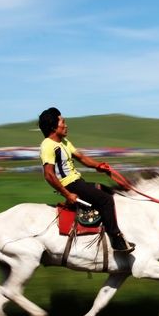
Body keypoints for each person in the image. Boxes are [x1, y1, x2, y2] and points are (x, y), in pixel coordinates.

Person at [38, 107, 135, 253]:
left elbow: (82, 158)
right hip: (69, 185)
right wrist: (67, 194)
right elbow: (49, 175)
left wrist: (99, 166)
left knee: (108, 191)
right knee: (106, 200)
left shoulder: (64, 142)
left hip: (78, 182)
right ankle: (116, 241)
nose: (66, 125)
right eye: (63, 122)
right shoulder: (47, 145)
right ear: (53, 127)